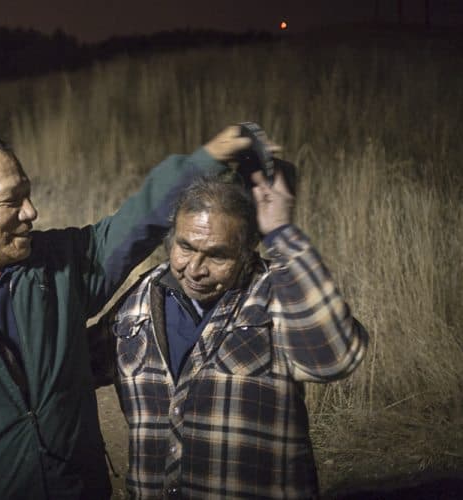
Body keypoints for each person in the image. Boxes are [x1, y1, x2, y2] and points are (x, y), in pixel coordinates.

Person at [0, 127, 260, 499]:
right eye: (11, 201)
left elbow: (132, 226)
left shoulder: (55, 267)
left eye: (28, 194)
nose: (31, 212)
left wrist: (205, 160)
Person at [90, 169, 369, 499]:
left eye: (217, 255)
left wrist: (281, 233)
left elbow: (335, 359)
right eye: (185, 247)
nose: (195, 269)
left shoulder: (276, 292)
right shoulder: (142, 297)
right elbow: (70, 370)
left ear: (250, 246)